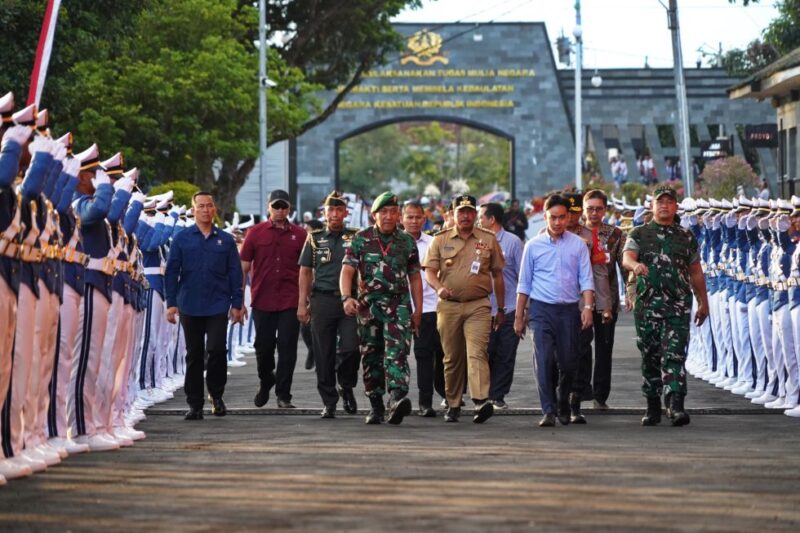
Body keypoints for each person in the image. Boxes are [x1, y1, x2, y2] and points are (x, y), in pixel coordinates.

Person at [622, 185, 709, 427]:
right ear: (652, 205)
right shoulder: (639, 234)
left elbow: (696, 272)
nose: (664, 205)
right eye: (660, 201)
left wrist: (703, 302)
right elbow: (627, 257)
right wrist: (634, 266)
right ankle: (652, 405)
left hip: (678, 306)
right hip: (648, 306)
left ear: (675, 206)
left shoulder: (686, 236)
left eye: (669, 201)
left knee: (675, 354)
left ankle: (675, 405)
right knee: (650, 355)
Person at [340, 191, 423, 425]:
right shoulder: (360, 239)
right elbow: (347, 270)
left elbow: (415, 277)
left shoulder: (407, 241)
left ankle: (396, 398)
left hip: (399, 305)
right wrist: (347, 297)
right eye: (383, 212)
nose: (388, 216)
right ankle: (376, 405)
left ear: (398, 215)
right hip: (369, 306)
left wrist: (417, 310)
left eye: (393, 212)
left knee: (397, 352)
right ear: (374, 214)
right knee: (371, 355)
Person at [514, 194, 595, 428]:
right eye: (553, 218)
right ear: (545, 217)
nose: (558, 222)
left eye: (562, 217)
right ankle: (548, 410)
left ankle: (563, 400)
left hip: (569, 310)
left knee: (569, 363)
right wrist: (519, 316)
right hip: (540, 311)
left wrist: (587, 307)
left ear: (568, 217)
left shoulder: (577, 245)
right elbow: (524, 284)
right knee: (544, 359)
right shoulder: (533, 245)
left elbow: (586, 279)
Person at [423, 194, 505, 424]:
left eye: (470, 211)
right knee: (452, 357)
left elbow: (498, 274)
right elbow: (429, 271)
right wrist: (438, 287)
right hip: (449, 306)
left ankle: (480, 400)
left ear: (476, 213)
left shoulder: (488, 239)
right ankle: (453, 403)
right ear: (452, 214)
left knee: (477, 352)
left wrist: (501, 308)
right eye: (461, 211)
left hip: (479, 304)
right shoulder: (440, 239)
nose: (466, 216)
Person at [165, 191, 243, 420]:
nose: (205, 210)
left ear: (215, 209)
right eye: (201, 206)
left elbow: (235, 274)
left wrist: (237, 304)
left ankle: (216, 395)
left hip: (218, 304)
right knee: (194, 354)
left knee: (218, 350)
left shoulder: (226, 240)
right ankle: (195, 403)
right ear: (193, 210)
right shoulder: (182, 238)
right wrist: (171, 303)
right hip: (189, 303)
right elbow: (171, 272)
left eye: (209, 205)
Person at [241, 189, 307, 409]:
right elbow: (243, 267)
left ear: (289, 209)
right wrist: (238, 300)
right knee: (263, 347)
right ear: (268, 207)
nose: (280, 211)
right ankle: (266, 379)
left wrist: (306, 300)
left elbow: (308, 270)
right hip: (263, 299)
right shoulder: (255, 233)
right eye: (276, 206)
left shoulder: (300, 234)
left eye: (284, 207)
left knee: (288, 347)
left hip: (290, 298)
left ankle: (284, 394)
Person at [297, 191, 360, 419]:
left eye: (338, 210)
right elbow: (305, 272)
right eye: (330, 210)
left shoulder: (356, 236)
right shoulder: (314, 238)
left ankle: (346, 385)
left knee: (351, 348)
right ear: (324, 213)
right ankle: (329, 401)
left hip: (349, 300)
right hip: (321, 299)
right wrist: (302, 304)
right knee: (323, 353)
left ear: (345, 213)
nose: (334, 214)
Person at [582, 189, 627, 410]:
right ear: (583, 209)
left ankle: (600, 395)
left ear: (605, 210)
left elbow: (625, 266)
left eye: (598, 209)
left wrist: (631, 293)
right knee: (581, 347)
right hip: (580, 300)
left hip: (607, 299)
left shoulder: (616, 234)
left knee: (604, 347)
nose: (594, 213)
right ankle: (580, 391)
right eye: (590, 208)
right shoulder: (575, 232)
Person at [478, 202, 523, 409]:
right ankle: (484, 395)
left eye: (481, 217)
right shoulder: (477, 241)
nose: (479, 221)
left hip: (510, 308)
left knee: (506, 354)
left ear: (491, 219)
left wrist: (524, 311)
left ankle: (498, 396)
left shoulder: (513, 242)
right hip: (483, 308)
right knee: (486, 353)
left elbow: (524, 277)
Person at [402, 200, 445, 416]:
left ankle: (427, 402)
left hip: (429, 306)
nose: (413, 221)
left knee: (430, 354)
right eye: (409, 217)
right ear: (402, 219)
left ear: (424, 219)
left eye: (418, 217)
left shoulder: (433, 243)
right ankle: (396, 399)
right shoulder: (394, 243)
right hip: (399, 307)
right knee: (399, 356)